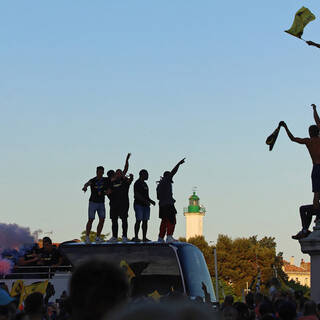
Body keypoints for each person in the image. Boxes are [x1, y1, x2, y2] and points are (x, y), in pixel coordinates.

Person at [280, 120, 320, 239]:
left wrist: (285, 127)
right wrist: (314, 110)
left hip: (316, 168)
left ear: (310, 133)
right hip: (317, 168)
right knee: (315, 198)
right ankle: (307, 227)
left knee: (315, 197)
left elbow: (293, 138)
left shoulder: (308, 141)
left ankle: (305, 228)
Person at [157, 158, 185, 243]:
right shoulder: (166, 181)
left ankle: (160, 238)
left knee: (164, 221)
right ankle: (169, 236)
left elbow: (158, 197)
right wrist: (178, 164)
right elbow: (173, 172)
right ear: (167, 176)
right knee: (172, 220)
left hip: (162, 205)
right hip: (168, 204)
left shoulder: (159, 185)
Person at [82, 166, 110, 243]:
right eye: (99, 172)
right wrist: (85, 187)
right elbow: (87, 183)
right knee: (91, 219)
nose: (100, 173)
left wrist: (107, 191)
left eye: (101, 172)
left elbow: (111, 182)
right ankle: (87, 237)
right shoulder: (93, 180)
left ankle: (97, 237)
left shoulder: (105, 180)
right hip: (93, 202)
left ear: (103, 172)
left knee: (102, 219)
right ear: (96, 172)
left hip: (101, 202)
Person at [108, 170, 133, 242]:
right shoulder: (111, 182)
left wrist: (131, 177)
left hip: (124, 204)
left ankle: (124, 236)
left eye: (120, 173)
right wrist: (108, 193)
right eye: (117, 173)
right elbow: (108, 191)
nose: (118, 174)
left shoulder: (125, 181)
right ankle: (114, 237)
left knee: (124, 220)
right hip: (113, 204)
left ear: (122, 174)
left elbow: (130, 181)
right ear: (115, 174)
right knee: (114, 220)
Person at [132, 170, 156, 242]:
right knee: (138, 220)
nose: (147, 176)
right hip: (138, 204)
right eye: (146, 174)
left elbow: (146, 196)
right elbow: (136, 195)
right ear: (142, 175)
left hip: (146, 205)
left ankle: (144, 237)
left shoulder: (145, 184)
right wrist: (145, 201)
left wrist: (151, 201)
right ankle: (136, 236)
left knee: (145, 221)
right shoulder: (137, 183)